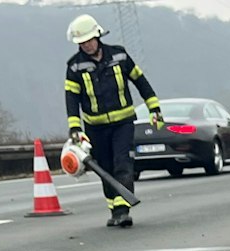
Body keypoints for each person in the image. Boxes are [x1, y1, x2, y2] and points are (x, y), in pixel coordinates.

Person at [62, 14, 161, 228]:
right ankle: (114, 209)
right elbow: (71, 99)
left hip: (123, 123)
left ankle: (122, 210)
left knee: (122, 163)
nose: (86, 45)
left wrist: (154, 107)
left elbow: (140, 81)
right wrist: (75, 128)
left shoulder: (119, 55)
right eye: (82, 42)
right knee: (105, 168)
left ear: (97, 36)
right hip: (95, 128)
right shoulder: (74, 67)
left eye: (89, 40)